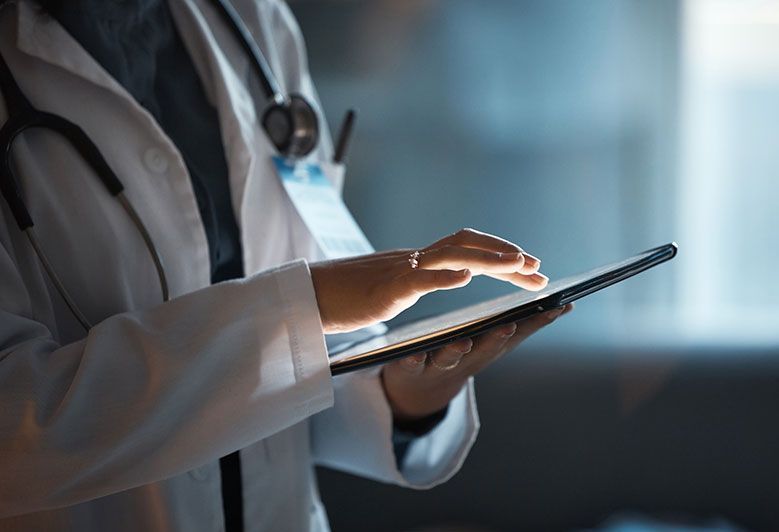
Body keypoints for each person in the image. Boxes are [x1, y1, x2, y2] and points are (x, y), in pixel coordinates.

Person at [0, 0, 571, 530]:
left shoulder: (252, 21)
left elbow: (304, 361)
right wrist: (310, 304)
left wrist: (403, 397)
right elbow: (14, 435)